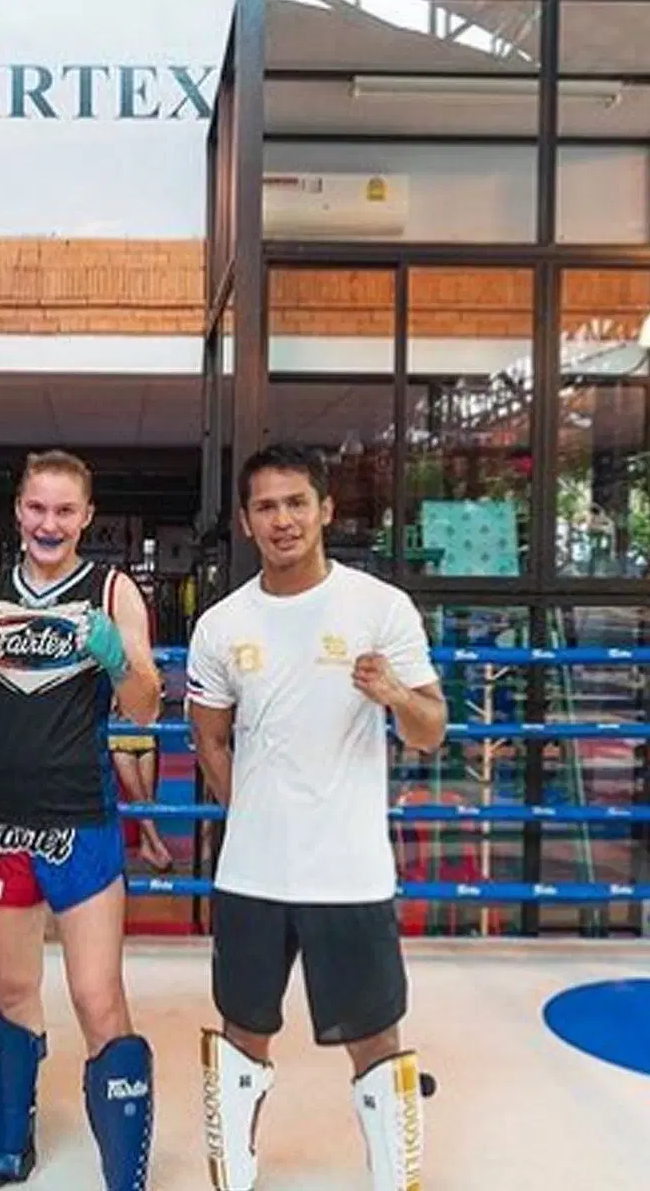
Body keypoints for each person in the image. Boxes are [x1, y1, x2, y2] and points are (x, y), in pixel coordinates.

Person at [185, 443, 447, 1191]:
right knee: (243, 1038)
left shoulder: (379, 608)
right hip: (253, 871)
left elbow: (432, 729)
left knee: (375, 1038)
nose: (283, 519)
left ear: (326, 509)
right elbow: (208, 736)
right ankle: (234, 1181)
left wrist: (396, 695)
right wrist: (257, 814)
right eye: (266, 506)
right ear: (245, 521)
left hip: (350, 870)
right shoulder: (223, 623)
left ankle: (396, 1182)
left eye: (296, 502)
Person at [0, 449, 163, 1191]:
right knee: (12, 991)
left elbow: (146, 707)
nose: (48, 523)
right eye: (37, 507)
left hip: (83, 814)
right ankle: (11, 1149)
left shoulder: (112, 589)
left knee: (98, 996)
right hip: (3, 818)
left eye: (64, 510)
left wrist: (118, 659)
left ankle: (124, 1175)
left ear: (87, 517)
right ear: (18, 511)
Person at [109, 725, 172, 872]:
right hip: (118, 731)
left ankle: (147, 846)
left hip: (144, 730)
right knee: (137, 795)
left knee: (147, 797)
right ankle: (157, 844)